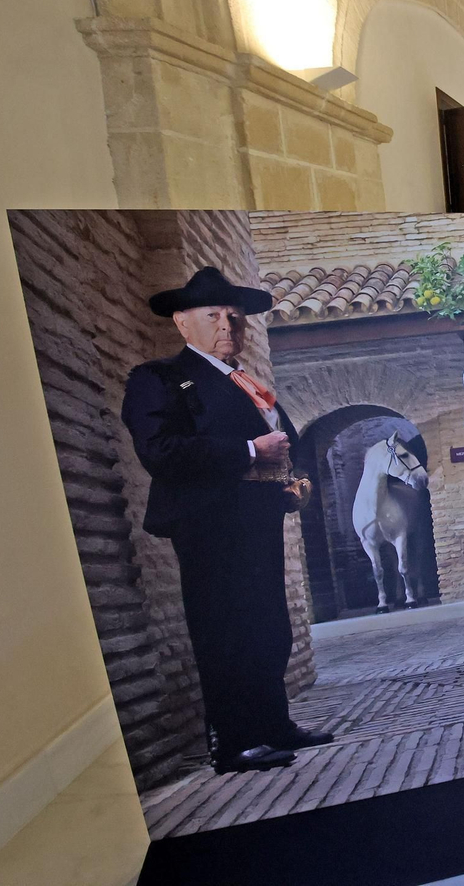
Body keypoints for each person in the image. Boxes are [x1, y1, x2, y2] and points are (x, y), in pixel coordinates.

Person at [121, 267, 333, 775]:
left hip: (257, 521)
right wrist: (247, 449)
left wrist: (296, 482)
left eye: (235, 318)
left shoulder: (245, 385)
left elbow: (284, 445)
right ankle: (234, 742)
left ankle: (273, 725)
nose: (227, 327)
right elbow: (160, 451)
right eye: (212, 315)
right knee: (224, 629)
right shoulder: (160, 379)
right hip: (208, 524)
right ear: (181, 323)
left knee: (268, 626)